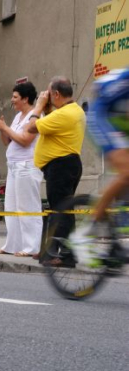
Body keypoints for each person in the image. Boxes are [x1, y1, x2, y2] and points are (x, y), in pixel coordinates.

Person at [68, 68, 129, 266]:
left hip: (121, 120)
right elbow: (99, 88)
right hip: (102, 116)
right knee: (126, 172)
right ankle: (85, 232)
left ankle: (117, 232)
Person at [24, 76, 86, 266]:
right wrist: (47, 107)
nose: (47, 97)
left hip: (61, 167)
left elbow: (31, 127)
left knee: (62, 211)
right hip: (66, 165)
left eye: (50, 94)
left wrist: (39, 106)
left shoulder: (64, 114)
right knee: (61, 210)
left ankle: (66, 255)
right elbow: (49, 121)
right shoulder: (72, 111)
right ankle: (53, 251)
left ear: (56, 94)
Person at [0, 81, 43, 257]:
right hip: (13, 166)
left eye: (15, 97)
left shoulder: (35, 116)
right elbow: (8, 142)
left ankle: (31, 247)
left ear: (25, 98)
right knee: (11, 206)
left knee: (27, 207)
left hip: (27, 166)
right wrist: (2, 129)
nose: (11, 100)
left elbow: (25, 140)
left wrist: (5, 128)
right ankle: (12, 245)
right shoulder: (18, 117)